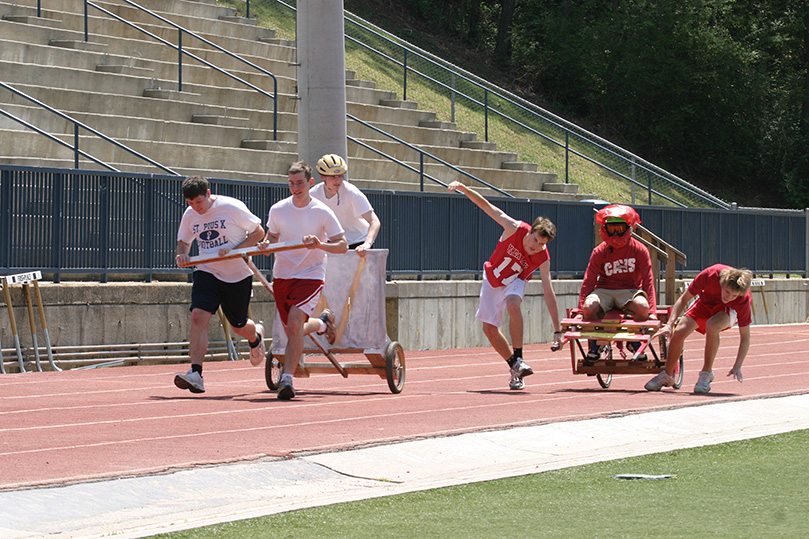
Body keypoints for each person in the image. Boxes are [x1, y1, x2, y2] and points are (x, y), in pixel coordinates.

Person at [448, 181, 562, 390]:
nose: (535, 247)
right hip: (493, 278)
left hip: (515, 282)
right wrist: (464, 188)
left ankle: (519, 356)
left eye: (542, 244)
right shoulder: (515, 228)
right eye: (535, 240)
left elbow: (548, 292)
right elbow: (486, 206)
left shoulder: (543, 259)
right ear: (530, 232)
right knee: (489, 329)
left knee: (513, 304)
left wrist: (557, 330)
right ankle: (514, 366)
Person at [259, 161, 348, 400]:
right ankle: (321, 324)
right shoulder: (278, 209)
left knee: (295, 324)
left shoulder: (322, 211)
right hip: (283, 275)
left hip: (311, 274)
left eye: (299, 183)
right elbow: (272, 237)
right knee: (293, 328)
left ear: (310, 183)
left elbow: (342, 245)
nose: (295, 188)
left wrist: (320, 245)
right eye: (291, 183)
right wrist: (267, 245)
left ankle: (287, 379)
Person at [174, 176, 267, 393]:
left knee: (238, 325)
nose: (196, 208)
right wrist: (182, 256)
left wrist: (236, 250)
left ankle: (256, 336)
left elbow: (258, 232)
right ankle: (196, 373)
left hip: (236, 275)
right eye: (190, 204)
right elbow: (183, 242)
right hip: (208, 271)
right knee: (198, 316)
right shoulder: (190, 215)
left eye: (198, 202)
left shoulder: (230, 207)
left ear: (208, 194)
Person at [645, 264, 753, 393]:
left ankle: (706, 373)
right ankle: (668, 375)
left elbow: (745, 337)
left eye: (734, 296)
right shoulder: (709, 275)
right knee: (679, 331)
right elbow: (683, 299)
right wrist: (669, 324)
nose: (728, 297)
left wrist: (737, 365)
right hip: (705, 302)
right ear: (721, 283)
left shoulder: (743, 300)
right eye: (727, 292)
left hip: (727, 311)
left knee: (712, 325)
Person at [578, 204, 657, 359]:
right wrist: (581, 311)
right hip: (604, 290)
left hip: (630, 291)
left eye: (619, 228)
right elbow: (589, 280)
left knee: (642, 307)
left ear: (629, 228)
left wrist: (652, 312)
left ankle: (634, 342)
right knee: (589, 307)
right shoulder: (599, 251)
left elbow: (648, 280)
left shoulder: (640, 250)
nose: (614, 234)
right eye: (611, 229)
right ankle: (597, 344)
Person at [310, 153, 381, 257]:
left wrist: (367, 244)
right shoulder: (314, 194)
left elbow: (374, 221)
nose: (338, 181)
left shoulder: (352, 193)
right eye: (333, 177)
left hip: (358, 244)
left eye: (340, 176)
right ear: (322, 177)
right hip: (334, 243)